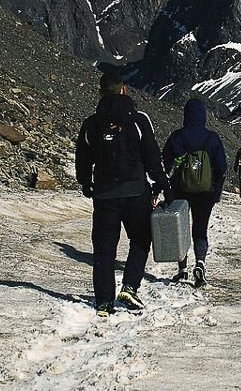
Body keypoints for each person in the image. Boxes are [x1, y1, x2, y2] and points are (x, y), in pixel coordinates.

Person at [74, 71, 171, 317]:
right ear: (124, 90)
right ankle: (129, 287)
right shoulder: (139, 120)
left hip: (105, 196)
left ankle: (104, 301)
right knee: (140, 239)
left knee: (104, 249)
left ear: (100, 93)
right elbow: (151, 155)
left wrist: (86, 183)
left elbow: (83, 159)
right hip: (136, 191)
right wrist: (162, 185)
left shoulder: (91, 124)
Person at [161, 97, 227, 289]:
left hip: (180, 190)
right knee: (200, 230)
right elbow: (221, 167)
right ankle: (200, 263)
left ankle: (182, 269)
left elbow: (166, 163)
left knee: (180, 230)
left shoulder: (176, 137)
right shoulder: (212, 138)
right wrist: (215, 191)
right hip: (205, 192)